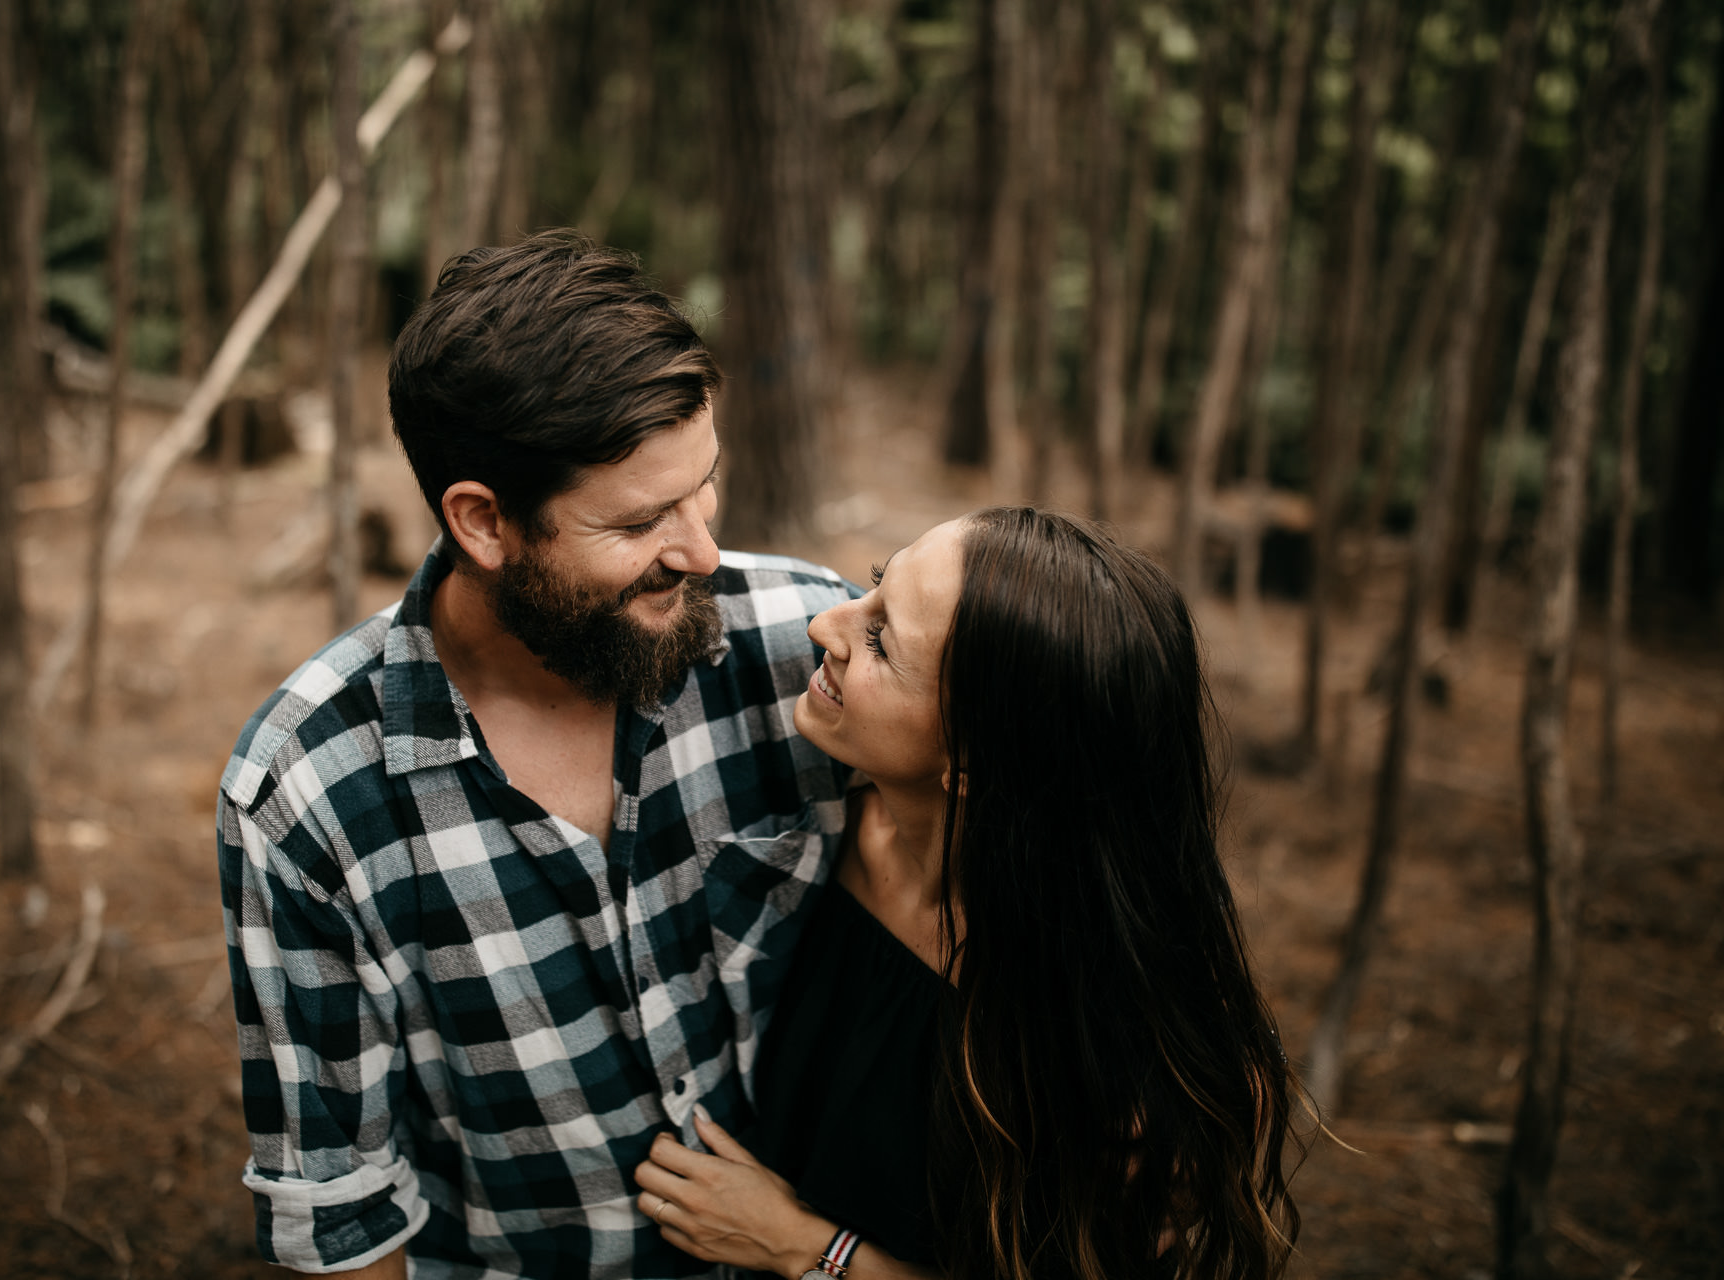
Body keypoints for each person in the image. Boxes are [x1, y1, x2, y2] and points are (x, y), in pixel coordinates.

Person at [217, 231, 859, 1278]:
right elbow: (343, 1213)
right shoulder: (311, 788)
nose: (701, 548)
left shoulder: (809, 647)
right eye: (643, 517)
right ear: (483, 520)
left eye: (705, 485)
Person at [632, 507, 1305, 1280]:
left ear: (978, 764)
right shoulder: (825, 822)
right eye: (878, 586)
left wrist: (804, 1248)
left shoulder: (1123, 1055)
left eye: (882, 640)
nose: (827, 624)